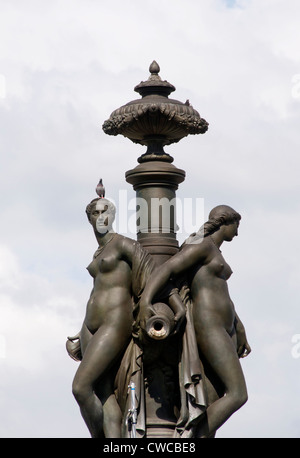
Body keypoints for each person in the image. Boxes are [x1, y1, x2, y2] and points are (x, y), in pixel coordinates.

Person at [67, 196, 185, 438]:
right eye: (96, 213)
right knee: (104, 393)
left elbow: (155, 275)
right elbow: (97, 290)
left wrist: (176, 304)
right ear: (88, 218)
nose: (101, 216)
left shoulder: (123, 245)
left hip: (114, 323)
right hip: (90, 326)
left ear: (113, 216)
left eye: (106, 212)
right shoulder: (99, 251)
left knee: (80, 387)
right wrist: (81, 332)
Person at [139, 205, 251, 438]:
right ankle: (190, 437)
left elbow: (223, 294)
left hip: (224, 327)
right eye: (236, 226)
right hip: (209, 326)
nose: (237, 234)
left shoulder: (214, 251)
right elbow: (168, 267)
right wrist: (146, 300)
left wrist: (239, 327)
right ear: (224, 222)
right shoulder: (202, 245)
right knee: (238, 394)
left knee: (212, 398)